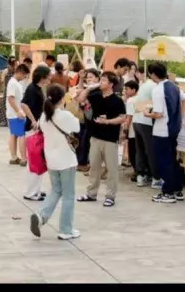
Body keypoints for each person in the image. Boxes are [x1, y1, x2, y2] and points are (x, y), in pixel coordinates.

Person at [29, 85, 81, 241]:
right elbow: (77, 127)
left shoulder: (44, 116)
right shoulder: (65, 115)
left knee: (56, 190)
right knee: (68, 195)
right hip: (66, 160)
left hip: (51, 160)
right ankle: (66, 229)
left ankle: (41, 215)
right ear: (63, 98)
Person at [77, 72, 126, 207]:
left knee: (111, 169)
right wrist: (89, 88)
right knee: (94, 167)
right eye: (101, 80)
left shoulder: (117, 100)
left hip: (110, 138)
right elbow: (81, 100)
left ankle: (110, 196)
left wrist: (108, 121)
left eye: (104, 80)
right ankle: (91, 193)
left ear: (111, 84)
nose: (101, 82)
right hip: (95, 137)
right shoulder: (95, 96)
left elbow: (122, 117)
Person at [146, 62, 185, 203]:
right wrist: (182, 117)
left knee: (164, 162)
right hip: (174, 128)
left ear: (152, 74)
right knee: (173, 160)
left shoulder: (158, 90)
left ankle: (167, 193)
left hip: (162, 130)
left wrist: (146, 113)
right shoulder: (174, 86)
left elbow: (158, 114)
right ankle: (177, 190)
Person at [21, 65, 52, 201]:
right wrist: (33, 120)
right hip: (33, 129)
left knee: (37, 161)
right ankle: (31, 192)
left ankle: (36, 189)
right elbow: (24, 104)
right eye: (48, 76)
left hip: (38, 128)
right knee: (34, 162)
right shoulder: (32, 89)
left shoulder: (37, 88)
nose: (50, 78)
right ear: (42, 76)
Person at [6, 63, 30, 165]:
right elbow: (10, 98)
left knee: (14, 135)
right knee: (21, 135)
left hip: (13, 113)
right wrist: (18, 111)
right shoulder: (13, 83)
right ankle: (23, 158)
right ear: (20, 72)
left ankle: (14, 157)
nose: (25, 78)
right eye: (25, 75)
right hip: (16, 114)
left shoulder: (14, 83)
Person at [0, 57, 17, 128]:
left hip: (7, 89)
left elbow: (2, 81)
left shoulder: (5, 70)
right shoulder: (16, 70)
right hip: (14, 90)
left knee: (4, 105)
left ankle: (3, 121)